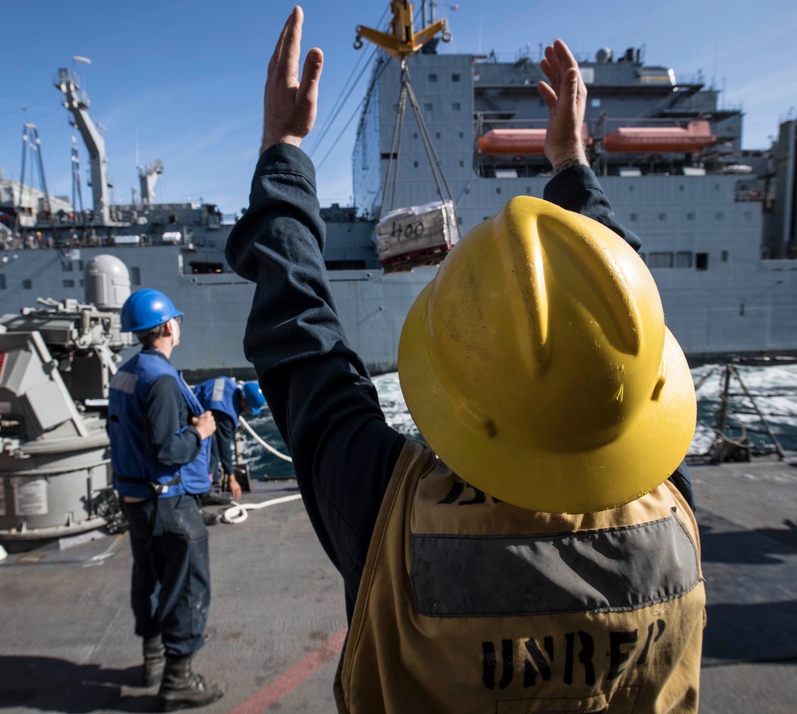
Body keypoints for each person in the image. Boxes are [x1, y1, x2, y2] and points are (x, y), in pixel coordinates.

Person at [225, 7, 704, 713]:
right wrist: (572, 168)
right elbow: (621, 328)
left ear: (456, 386)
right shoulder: (672, 509)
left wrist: (284, 151)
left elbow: (299, 334)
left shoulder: (388, 510)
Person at [108, 288, 225, 710]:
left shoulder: (127, 371)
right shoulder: (160, 380)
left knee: (151, 581)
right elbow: (166, 450)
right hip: (169, 504)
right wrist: (202, 432)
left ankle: (153, 661)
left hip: (136, 500)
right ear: (169, 326)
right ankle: (178, 679)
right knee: (188, 587)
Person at [192, 377, 267, 501]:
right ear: (243, 402)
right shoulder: (226, 415)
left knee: (212, 446)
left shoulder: (228, 382)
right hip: (191, 417)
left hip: (192, 407)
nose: (248, 412)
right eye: (249, 408)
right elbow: (225, 449)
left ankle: (210, 484)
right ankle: (207, 492)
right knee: (212, 449)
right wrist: (232, 479)